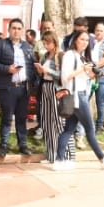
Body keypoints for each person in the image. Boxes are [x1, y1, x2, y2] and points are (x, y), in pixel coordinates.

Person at [55, 30, 104, 170]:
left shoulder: (81, 56)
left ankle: (58, 161)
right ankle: (102, 158)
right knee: (90, 129)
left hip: (80, 94)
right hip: (76, 96)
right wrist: (82, 69)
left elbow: (81, 77)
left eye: (87, 40)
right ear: (75, 40)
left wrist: (91, 74)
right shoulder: (70, 55)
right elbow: (65, 77)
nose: (84, 42)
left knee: (69, 129)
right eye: (82, 39)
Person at [0, 18, 37, 158]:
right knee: (7, 118)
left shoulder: (27, 46)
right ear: (9, 30)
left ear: (22, 31)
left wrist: (33, 81)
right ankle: (4, 145)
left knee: (22, 118)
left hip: (23, 88)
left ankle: (23, 145)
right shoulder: (1, 44)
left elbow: (32, 65)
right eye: (13, 28)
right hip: (8, 87)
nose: (16, 31)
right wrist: (6, 69)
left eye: (19, 28)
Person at [35, 30, 72, 164]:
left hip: (56, 88)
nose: (45, 45)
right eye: (44, 43)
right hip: (45, 86)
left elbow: (63, 74)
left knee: (58, 122)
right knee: (47, 121)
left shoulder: (60, 55)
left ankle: (65, 155)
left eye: (48, 43)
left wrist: (47, 71)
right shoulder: (45, 56)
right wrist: (40, 71)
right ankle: (51, 155)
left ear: (54, 42)